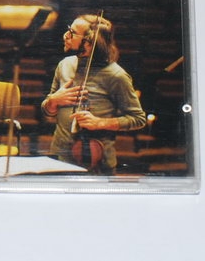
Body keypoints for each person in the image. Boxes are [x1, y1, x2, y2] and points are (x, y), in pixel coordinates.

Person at [41, 14, 146, 174]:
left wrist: (100, 123)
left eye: (73, 32)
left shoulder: (116, 75)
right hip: (59, 158)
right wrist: (53, 101)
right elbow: (47, 111)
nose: (66, 35)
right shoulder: (65, 65)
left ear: (89, 43)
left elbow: (138, 119)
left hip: (96, 163)